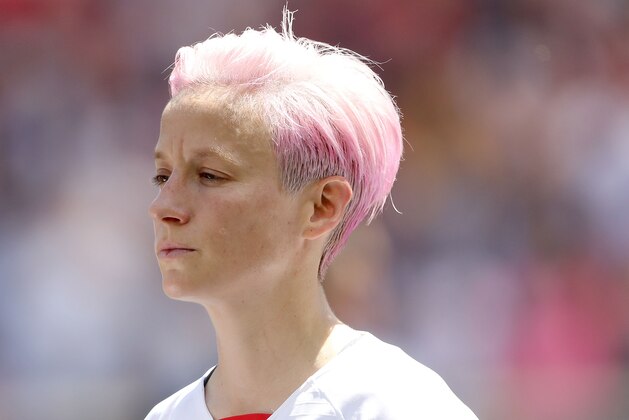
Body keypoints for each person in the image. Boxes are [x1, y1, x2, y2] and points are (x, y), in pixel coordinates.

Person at [145, 9, 478, 420]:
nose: (164, 207)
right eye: (163, 176)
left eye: (210, 175)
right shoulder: (166, 416)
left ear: (322, 207)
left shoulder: (399, 408)